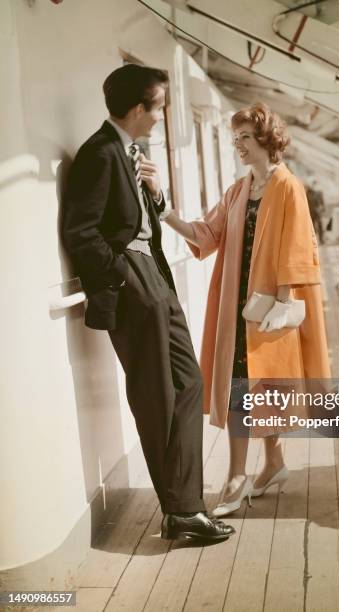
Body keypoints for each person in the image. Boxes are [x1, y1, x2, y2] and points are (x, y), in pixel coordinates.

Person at [62, 64, 234, 540]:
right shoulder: (100, 153)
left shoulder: (128, 151)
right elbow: (80, 231)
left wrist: (155, 196)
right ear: (139, 109)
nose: (161, 117)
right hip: (134, 280)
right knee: (158, 396)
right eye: (158, 107)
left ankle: (184, 504)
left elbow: (135, 217)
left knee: (189, 383)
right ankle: (182, 511)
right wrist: (121, 274)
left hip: (156, 275)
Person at [163, 102, 331, 516]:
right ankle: (256, 468)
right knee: (245, 380)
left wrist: (284, 303)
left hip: (271, 305)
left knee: (261, 382)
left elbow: (297, 246)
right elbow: (207, 234)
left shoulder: (288, 186)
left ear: (266, 140)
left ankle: (253, 470)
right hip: (237, 305)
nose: (238, 145)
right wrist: (164, 212)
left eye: (245, 138)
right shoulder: (239, 191)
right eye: (235, 138)